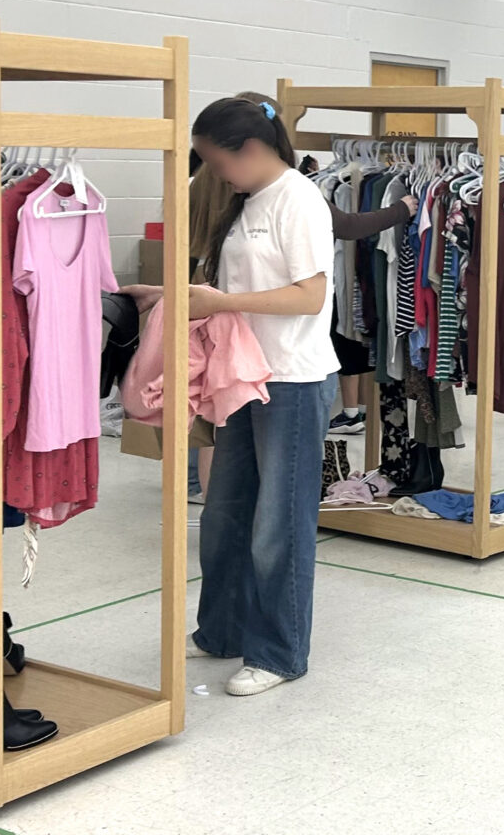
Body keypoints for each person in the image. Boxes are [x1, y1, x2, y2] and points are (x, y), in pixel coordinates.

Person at [180, 96, 338, 696]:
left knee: (279, 522)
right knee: (224, 512)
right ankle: (222, 629)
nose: (216, 175)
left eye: (219, 163)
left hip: (292, 380)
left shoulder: (299, 200)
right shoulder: (249, 200)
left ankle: (278, 652)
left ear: (249, 150)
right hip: (243, 375)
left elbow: (309, 296)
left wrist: (222, 302)